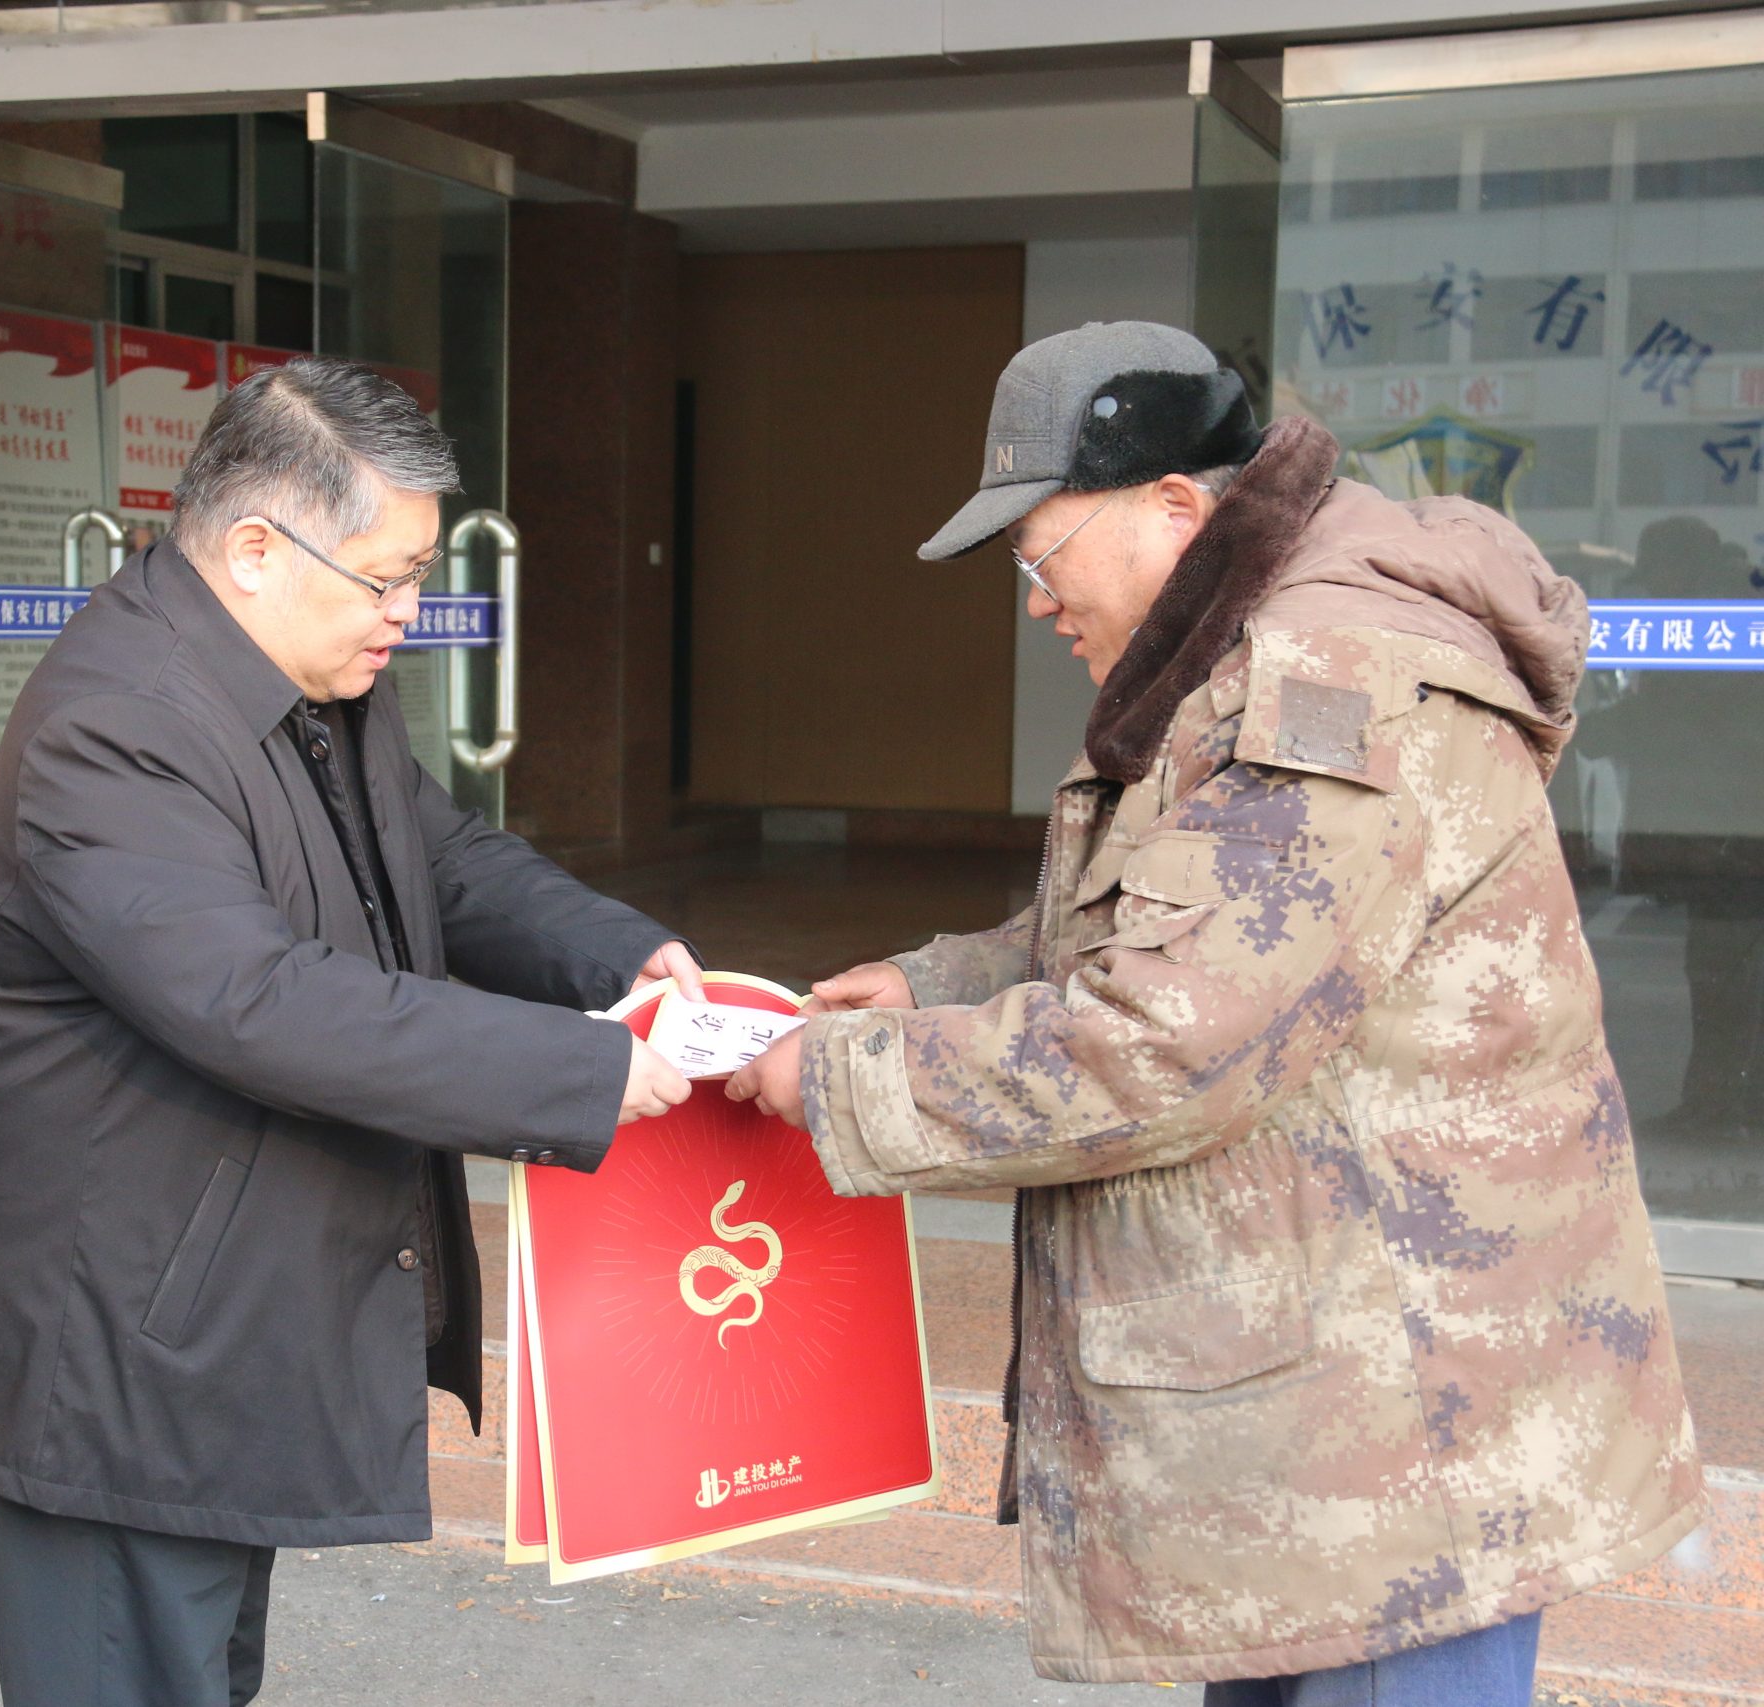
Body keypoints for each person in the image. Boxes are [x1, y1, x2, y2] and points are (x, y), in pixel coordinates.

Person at [729, 321, 1704, 1702]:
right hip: (1324, 1424)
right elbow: (1190, 923)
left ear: (1177, 508)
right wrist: (936, 984)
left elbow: (1164, 1044)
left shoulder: (1334, 685)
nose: (1035, 602)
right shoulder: (1238, 650)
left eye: (1041, 556)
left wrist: (842, 1077)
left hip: (1405, 1444)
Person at [0, 355, 699, 1707]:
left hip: (209, 1328)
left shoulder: (306, 674)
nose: (408, 614)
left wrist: (621, 956)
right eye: (386, 579)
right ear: (257, 551)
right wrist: (583, 1071)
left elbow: (436, 858)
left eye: (419, 576)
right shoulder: (120, 724)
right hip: (113, 1351)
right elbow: (258, 1001)